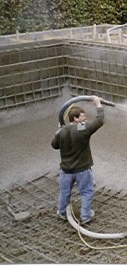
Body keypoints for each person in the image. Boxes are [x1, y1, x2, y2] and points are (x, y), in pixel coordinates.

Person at [51, 96, 104, 224]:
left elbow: (54, 145)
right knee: (86, 192)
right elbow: (100, 121)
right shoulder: (83, 129)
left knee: (64, 192)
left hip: (66, 170)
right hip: (82, 169)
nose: (84, 119)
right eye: (82, 117)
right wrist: (98, 104)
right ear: (74, 118)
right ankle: (85, 216)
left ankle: (62, 212)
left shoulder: (61, 131)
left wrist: (59, 131)